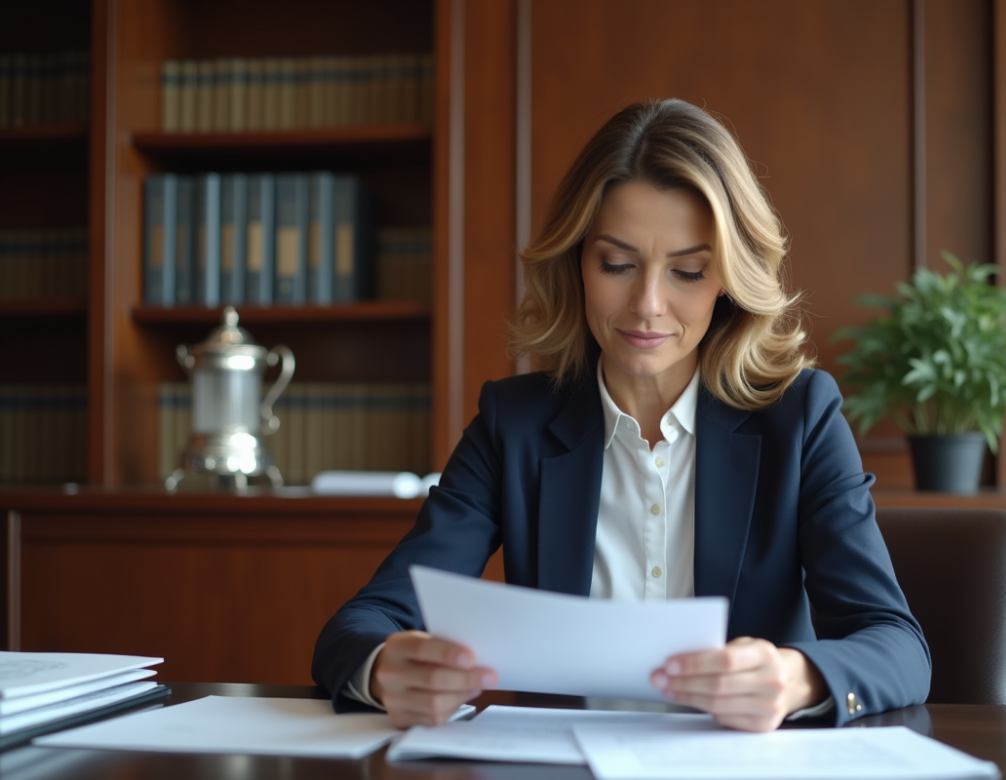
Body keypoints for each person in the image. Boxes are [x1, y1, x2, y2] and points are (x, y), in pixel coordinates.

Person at [312, 98, 930, 732]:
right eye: (617, 264)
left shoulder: (801, 418)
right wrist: (387, 667)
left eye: (688, 271)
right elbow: (361, 625)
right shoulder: (513, 425)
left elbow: (896, 643)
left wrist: (798, 678)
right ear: (577, 261)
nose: (648, 305)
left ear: (728, 281)